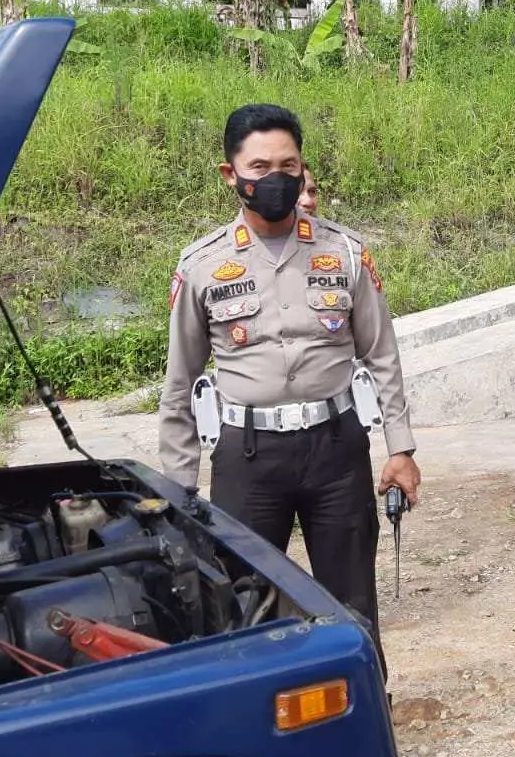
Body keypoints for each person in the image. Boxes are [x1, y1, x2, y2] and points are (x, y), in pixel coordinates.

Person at [158, 104, 421, 670]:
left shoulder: (344, 251)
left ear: (303, 170)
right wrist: (179, 488)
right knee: (245, 603)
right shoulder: (203, 265)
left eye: (288, 164)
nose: (275, 177)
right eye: (260, 166)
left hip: (336, 448)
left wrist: (401, 449)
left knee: (351, 601)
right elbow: (180, 382)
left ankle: (365, 711)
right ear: (231, 175)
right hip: (247, 456)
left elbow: (381, 354)